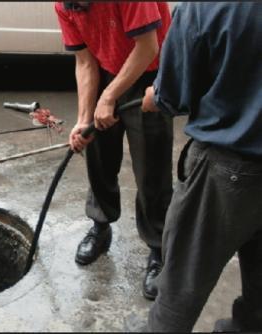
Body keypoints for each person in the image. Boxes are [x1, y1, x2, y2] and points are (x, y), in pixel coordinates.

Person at [141, 3, 262, 332]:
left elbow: (171, 97)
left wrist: (153, 95)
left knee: (181, 283)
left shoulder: (205, 7)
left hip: (227, 170)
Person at [55, 2, 173, 300]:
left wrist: (108, 98)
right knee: (98, 154)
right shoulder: (64, 4)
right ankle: (101, 224)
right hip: (109, 69)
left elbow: (148, 47)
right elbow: (84, 61)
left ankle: (159, 248)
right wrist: (84, 120)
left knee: (151, 167)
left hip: (151, 72)